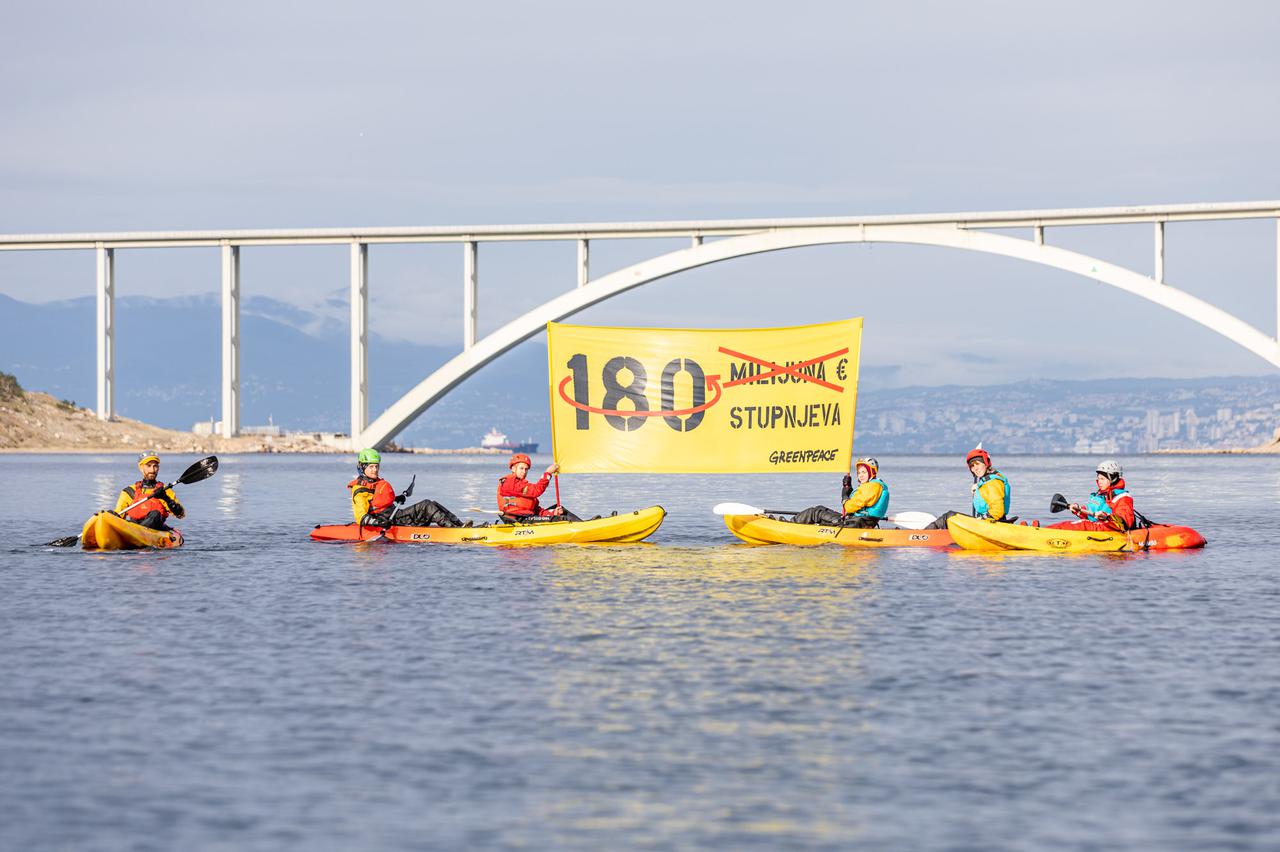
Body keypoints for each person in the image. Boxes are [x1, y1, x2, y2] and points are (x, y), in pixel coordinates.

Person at [348, 448, 466, 528]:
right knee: (426, 505)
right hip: (389, 521)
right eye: (371, 466)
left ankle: (460, 526)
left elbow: (378, 501)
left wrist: (396, 498)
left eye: (377, 466)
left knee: (432, 504)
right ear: (362, 467)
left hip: (394, 516)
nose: (375, 469)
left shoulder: (375, 483)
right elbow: (361, 517)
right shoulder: (360, 490)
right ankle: (455, 531)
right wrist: (379, 523)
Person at [924, 444, 1014, 529]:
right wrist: (979, 489)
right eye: (972, 466)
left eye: (978, 464)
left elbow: (997, 510)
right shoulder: (987, 481)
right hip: (989, 524)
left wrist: (980, 520)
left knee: (949, 517)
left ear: (986, 463)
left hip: (991, 526)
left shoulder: (992, 483)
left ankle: (923, 535)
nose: (975, 468)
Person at [792, 457, 888, 528]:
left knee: (816, 512)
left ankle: (790, 525)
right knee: (820, 509)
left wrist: (845, 498)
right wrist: (849, 488)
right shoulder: (872, 486)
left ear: (872, 472)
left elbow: (850, 508)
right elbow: (858, 503)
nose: (860, 475)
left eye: (864, 472)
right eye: (859, 473)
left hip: (856, 523)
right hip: (855, 522)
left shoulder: (873, 486)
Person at [1048, 459, 1136, 532]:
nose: (1099, 482)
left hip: (1111, 530)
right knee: (1077, 523)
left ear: (1113, 479)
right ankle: (1044, 530)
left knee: (1082, 525)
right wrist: (1078, 509)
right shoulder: (1100, 495)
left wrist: (1107, 517)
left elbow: (1125, 522)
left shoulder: (1123, 497)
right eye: (1098, 478)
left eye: (1102, 479)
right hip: (1099, 528)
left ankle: (1044, 533)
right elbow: (1091, 515)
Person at [497, 453, 582, 522]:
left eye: (526, 469)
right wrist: (548, 473)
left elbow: (537, 511)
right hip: (518, 519)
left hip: (527, 518)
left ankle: (582, 525)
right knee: (560, 519)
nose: (524, 472)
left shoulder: (522, 485)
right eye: (521, 468)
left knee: (560, 512)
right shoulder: (509, 482)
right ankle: (581, 529)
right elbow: (537, 491)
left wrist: (553, 513)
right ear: (513, 468)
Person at [113, 451, 185, 530]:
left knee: (155, 514)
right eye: (148, 466)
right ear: (141, 468)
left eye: (155, 466)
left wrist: (165, 498)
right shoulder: (129, 491)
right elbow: (118, 515)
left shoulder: (164, 491)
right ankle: (137, 532)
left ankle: (139, 532)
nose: (152, 470)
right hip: (133, 529)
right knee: (110, 513)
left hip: (156, 529)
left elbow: (180, 514)